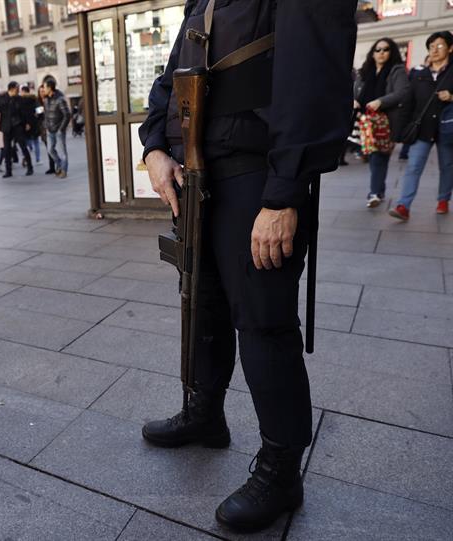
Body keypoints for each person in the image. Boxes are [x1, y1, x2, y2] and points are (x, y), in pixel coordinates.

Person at [138, 0, 356, 532]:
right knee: (204, 300)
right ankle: (205, 413)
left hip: (258, 177)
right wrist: (154, 147)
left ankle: (282, 470)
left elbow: (314, 80)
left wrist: (283, 195)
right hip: (197, 170)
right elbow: (173, 76)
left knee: (263, 321)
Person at [389, 31, 453, 220]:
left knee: (447, 166)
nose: (434, 50)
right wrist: (399, 131)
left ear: (450, 48)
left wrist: (451, 97)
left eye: (439, 45)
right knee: (413, 166)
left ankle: (443, 200)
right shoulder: (418, 74)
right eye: (431, 46)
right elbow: (408, 103)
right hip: (422, 128)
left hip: (447, 129)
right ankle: (403, 206)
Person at [353, 38, 409, 208]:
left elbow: (402, 92)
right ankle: (379, 190)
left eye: (385, 49)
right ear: (373, 53)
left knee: (378, 156)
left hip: (386, 121)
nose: (381, 53)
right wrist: (354, 100)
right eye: (377, 50)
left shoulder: (397, 70)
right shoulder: (365, 71)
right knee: (375, 157)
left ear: (391, 52)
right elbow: (355, 90)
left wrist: (381, 101)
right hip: (364, 121)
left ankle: (375, 192)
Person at [0, 81, 33, 177]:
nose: (19, 90)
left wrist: (27, 123)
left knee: (23, 147)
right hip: (6, 126)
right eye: (17, 88)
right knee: (7, 149)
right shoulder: (2, 98)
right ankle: (8, 171)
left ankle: (30, 167)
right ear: (12, 88)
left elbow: (24, 112)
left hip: (17, 125)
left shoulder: (19, 99)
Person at [40, 77, 71, 178]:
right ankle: (59, 165)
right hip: (49, 130)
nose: (43, 89)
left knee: (63, 152)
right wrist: (46, 126)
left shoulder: (60, 99)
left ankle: (64, 171)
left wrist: (61, 129)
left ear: (50, 88)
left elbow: (67, 114)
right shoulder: (45, 100)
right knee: (50, 150)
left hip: (59, 130)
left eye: (44, 87)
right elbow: (46, 114)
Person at [20, 85, 41, 164]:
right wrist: (36, 116)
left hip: (25, 124)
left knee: (26, 142)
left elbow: (20, 113)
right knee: (36, 142)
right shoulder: (34, 98)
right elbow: (40, 110)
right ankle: (38, 159)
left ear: (23, 91)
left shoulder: (20, 100)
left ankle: (26, 157)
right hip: (34, 123)